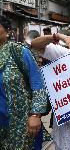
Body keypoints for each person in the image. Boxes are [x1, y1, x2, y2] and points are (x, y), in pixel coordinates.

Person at [0, 16, 48, 149]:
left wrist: (35, 114)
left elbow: (38, 83)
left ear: (8, 31)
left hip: (21, 123)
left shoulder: (18, 51)